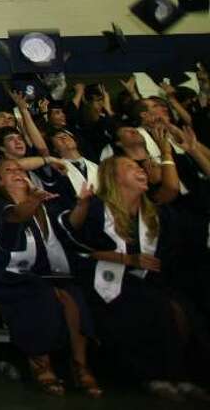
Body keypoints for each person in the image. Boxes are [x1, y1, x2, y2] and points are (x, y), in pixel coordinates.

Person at [60, 154, 209, 402]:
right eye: (129, 167)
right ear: (114, 177)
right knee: (155, 307)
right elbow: (77, 247)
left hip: (145, 283)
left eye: (139, 166)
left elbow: (182, 241)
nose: (139, 169)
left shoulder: (156, 214)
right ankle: (156, 375)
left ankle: (185, 376)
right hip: (102, 284)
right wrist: (127, 260)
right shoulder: (96, 208)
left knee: (185, 307)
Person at [0, 159, 100, 397]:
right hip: (11, 277)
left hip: (47, 273)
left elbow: (70, 224)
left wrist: (83, 203)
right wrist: (34, 200)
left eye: (20, 169)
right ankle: (40, 362)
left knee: (74, 296)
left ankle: (80, 364)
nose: (17, 172)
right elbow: (16, 217)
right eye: (9, 170)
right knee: (41, 295)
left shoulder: (46, 206)